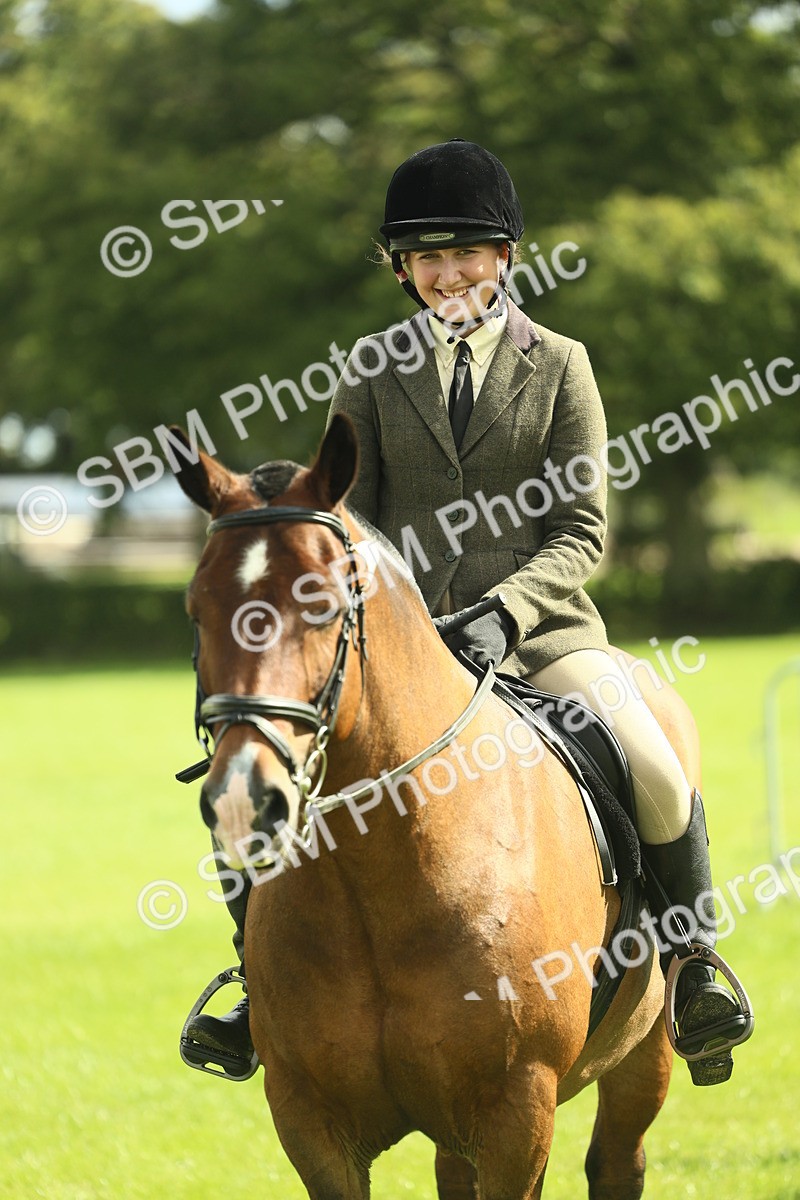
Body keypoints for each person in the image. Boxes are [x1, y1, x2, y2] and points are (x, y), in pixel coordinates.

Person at [186, 138, 751, 1085]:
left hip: (543, 632)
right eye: (428, 258)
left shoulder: (562, 366)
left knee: (651, 760)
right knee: (255, 771)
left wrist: (506, 610)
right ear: (403, 269)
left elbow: (580, 527)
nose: (448, 274)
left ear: (506, 258)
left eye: (466, 254)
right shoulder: (370, 367)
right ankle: (258, 984)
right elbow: (344, 514)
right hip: (401, 644)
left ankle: (694, 967)